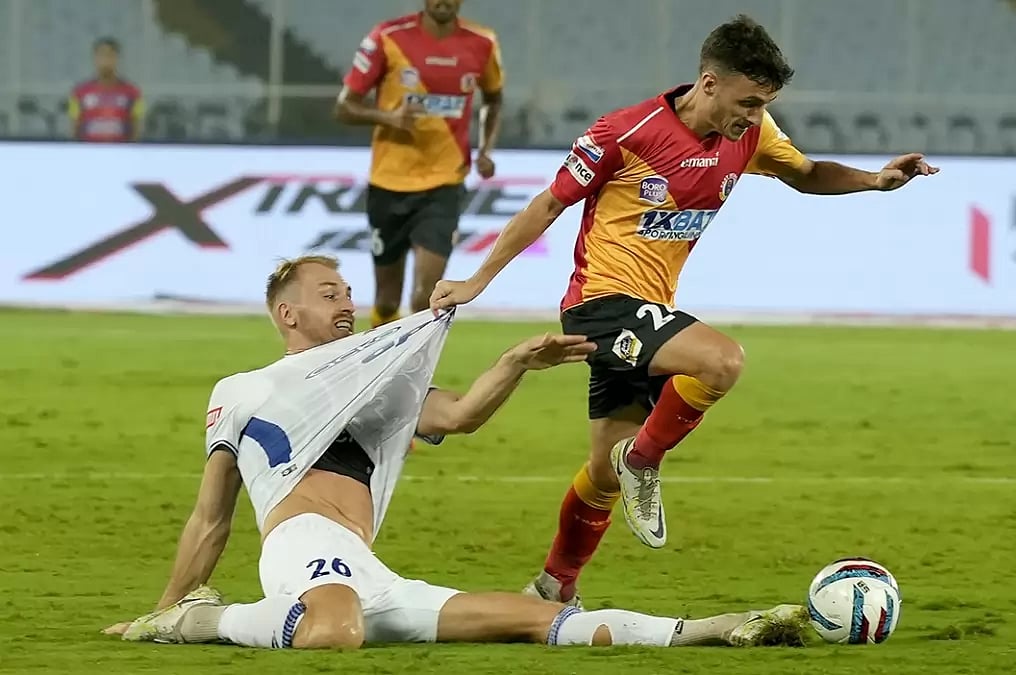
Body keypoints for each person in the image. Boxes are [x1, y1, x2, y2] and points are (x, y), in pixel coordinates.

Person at [429, 15, 939, 606]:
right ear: (709, 82)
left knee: (600, 477)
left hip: (648, 313)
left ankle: (552, 587)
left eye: (764, 104)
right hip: (602, 304)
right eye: (747, 101)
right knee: (721, 362)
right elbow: (547, 205)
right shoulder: (626, 131)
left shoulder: (751, 133)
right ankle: (644, 459)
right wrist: (476, 282)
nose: (753, 115)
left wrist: (875, 180)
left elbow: (804, 174)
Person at [102, 255, 807, 650]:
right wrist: (160, 605)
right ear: (287, 313)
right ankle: (194, 621)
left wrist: (515, 361)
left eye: (348, 291)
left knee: (536, 621)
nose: (347, 303)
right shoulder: (246, 389)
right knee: (336, 630)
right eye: (329, 293)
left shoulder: (374, 384)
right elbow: (209, 518)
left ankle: (713, 630)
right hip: (301, 545)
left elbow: (460, 415)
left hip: (366, 566)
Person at [334, 0, 504, 328]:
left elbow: (494, 100)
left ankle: (413, 374)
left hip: (444, 183)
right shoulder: (388, 37)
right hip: (389, 182)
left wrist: (485, 150)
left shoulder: (482, 42)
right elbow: (344, 107)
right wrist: (388, 118)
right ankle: (381, 368)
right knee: (386, 299)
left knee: (426, 294)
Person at [68, 37, 143, 143]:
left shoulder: (132, 93)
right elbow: (74, 129)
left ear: (117, 58)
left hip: (120, 153)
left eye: (110, 55)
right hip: (89, 153)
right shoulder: (79, 92)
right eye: (101, 55)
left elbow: (137, 130)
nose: (106, 61)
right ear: (95, 58)